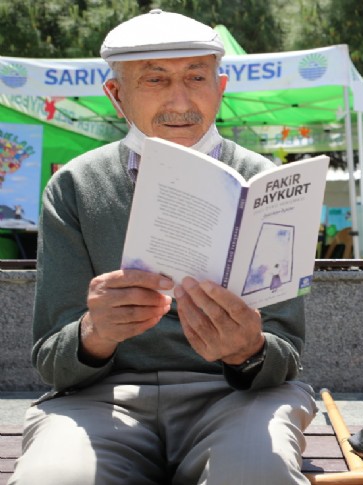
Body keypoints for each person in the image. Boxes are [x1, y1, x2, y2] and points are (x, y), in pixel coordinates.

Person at [10, 10, 316, 485]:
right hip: (102, 398)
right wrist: (96, 331)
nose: (180, 102)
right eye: (155, 80)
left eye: (197, 77)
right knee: (57, 478)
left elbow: (285, 353)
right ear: (116, 95)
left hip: (237, 398)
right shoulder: (75, 186)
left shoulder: (268, 183)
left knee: (258, 474)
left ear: (221, 86)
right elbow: (52, 360)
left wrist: (247, 350)